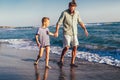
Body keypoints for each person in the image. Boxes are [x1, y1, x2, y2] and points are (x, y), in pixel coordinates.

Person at [54, 2, 88, 67]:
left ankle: (72, 63)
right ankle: (61, 59)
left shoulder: (77, 13)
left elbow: (80, 21)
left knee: (75, 47)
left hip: (74, 33)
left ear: (75, 7)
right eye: (71, 6)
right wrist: (56, 31)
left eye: (73, 7)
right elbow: (59, 23)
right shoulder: (64, 13)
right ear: (69, 6)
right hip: (67, 33)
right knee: (67, 47)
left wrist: (85, 29)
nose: (72, 8)